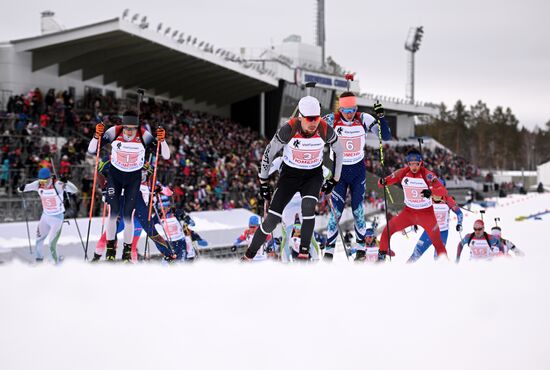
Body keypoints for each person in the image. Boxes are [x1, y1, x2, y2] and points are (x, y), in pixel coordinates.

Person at [242, 96, 344, 261]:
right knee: (271, 221)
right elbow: (269, 152)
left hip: (312, 175)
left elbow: (339, 150)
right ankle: (248, 255)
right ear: (301, 117)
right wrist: (263, 182)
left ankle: (304, 252)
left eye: (316, 119)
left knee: (308, 206)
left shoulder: (325, 129)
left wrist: (335, 179)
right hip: (290, 175)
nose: (314, 123)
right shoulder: (289, 128)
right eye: (310, 119)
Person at [88, 111, 170, 261]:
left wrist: (162, 140)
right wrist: (96, 136)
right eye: (127, 127)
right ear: (123, 125)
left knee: (131, 219)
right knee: (113, 216)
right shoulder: (114, 131)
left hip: (133, 181)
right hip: (116, 178)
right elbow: (92, 150)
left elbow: (165, 156)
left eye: (133, 128)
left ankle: (130, 254)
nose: (129, 131)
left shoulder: (144, 136)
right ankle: (108, 252)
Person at [323, 92, 392, 261]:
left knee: (358, 210)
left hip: (357, 170)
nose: (350, 113)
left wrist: (381, 117)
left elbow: (386, 136)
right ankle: (329, 252)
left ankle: (361, 248)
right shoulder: (333, 119)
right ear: (341, 108)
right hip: (339, 170)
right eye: (346, 110)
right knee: (336, 212)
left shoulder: (363, 118)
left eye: (353, 109)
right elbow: (311, 131)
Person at [377, 148, 449, 260]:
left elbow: (443, 191)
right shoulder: (402, 172)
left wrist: (431, 192)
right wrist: (382, 181)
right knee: (388, 229)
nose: (414, 167)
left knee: (438, 243)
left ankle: (446, 266)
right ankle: (381, 256)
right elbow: (384, 182)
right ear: (408, 163)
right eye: (411, 164)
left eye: (417, 164)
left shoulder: (428, 175)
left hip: (426, 214)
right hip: (408, 213)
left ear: (421, 163)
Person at [18, 167, 78, 263]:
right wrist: (21, 188)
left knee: (51, 244)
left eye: (44, 181)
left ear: (50, 178)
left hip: (57, 218)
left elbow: (74, 190)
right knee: (38, 240)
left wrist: (66, 182)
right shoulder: (38, 184)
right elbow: (25, 187)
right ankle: (39, 262)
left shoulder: (58, 185)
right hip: (45, 217)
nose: (43, 183)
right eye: (41, 180)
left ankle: (56, 264)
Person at [407, 185, 464, 263]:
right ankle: (403, 270)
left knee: (438, 259)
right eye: (435, 194)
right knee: (416, 254)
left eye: (440, 194)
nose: (437, 196)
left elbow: (459, 213)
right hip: (429, 232)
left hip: (442, 233)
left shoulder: (448, 200)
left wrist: (459, 224)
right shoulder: (427, 199)